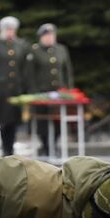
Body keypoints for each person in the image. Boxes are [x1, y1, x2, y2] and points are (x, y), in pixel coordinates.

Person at [23, 23, 75, 158]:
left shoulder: (61, 50)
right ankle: (46, 146)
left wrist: (68, 90)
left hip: (59, 92)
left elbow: (67, 71)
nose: (49, 38)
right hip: (42, 92)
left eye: (51, 35)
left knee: (58, 121)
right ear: (41, 37)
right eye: (46, 36)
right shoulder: (35, 51)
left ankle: (54, 144)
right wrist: (34, 93)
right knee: (42, 122)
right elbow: (30, 74)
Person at [0, 16, 27, 157]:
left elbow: (23, 67)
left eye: (12, 29)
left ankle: (11, 147)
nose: (10, 32)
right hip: (0, 89)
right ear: (2, 30)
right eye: (7, 29)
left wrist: (24, 85)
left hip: (15, 88)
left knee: (14, 120)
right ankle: (5, 148)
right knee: (3, 121)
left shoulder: (20, 45)